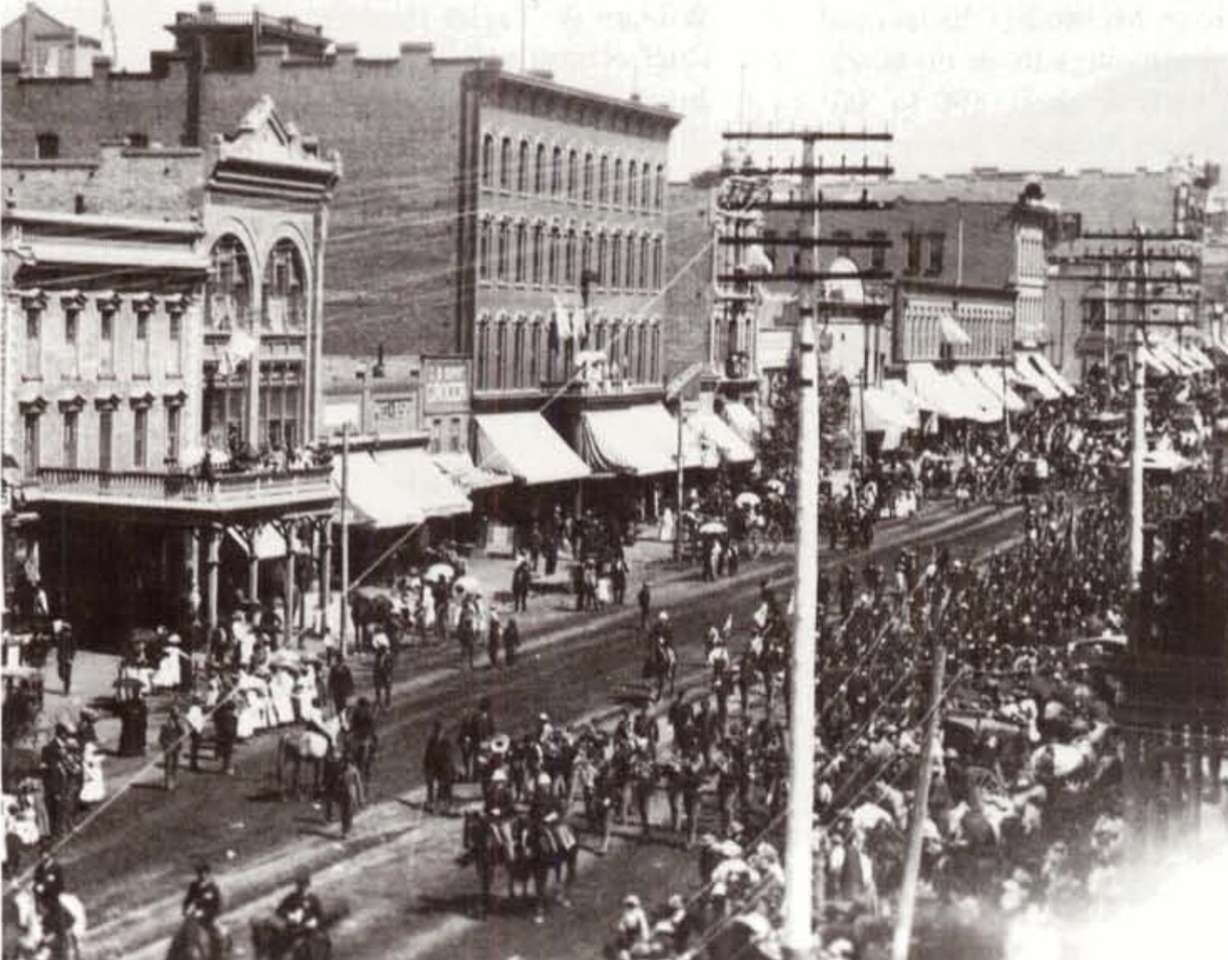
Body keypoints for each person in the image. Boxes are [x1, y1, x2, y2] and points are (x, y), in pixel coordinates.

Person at [182, 861, 225, 955]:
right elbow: (187, 900)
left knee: (218, 935)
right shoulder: (193, 886)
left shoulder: (213, 888)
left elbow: (216, 906)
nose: (201, 875)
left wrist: (204, 913)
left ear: (208, 873)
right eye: (199, 873)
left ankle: (219, 955)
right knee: (181, 935)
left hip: (208, 919)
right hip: (193, 918)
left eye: (204, 873)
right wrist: (186, 910)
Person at [275, 869, 324, 947]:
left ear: (308, 885)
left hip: (309, 932)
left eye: (303, 884)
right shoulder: (291, 898)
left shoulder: (313, 899)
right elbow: (279, 911)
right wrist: (290, 915)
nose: (301, 887)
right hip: (293, 931)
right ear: (297, 885)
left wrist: (313, 922)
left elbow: (320, 915)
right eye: (299, 884)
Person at [423, 720, 453, 814]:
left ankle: (445, 804)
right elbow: (428, 755)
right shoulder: (431, 742)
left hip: (443, 767)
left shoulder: (446, 742)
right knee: (430, 784)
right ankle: (431, 802)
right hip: (433, 766)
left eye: (440, 732)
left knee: (444, 784)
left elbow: (448, 757)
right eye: (436, 732)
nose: (438, 734)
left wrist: (448, 767)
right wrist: (426, 766)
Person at [614, 893, 651, 958]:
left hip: (638, 937)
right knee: (623, 952)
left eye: (631, 904)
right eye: (628, 904)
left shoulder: (639, 913)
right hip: (628, 936)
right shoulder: (626, 913)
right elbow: (621, 925)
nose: (630, 906)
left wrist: (644, 938)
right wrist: (622, 931)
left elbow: (644, 927)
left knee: (641, 951)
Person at [159, 707, 184, 792]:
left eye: (177, 715)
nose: (177, 717)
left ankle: (174, 780)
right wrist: (167, 744)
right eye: (175, 715)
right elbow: (161, 738)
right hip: (169, 747)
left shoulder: (178, 724)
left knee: (175, 764)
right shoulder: (166, 725)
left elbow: (183, 734)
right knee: (168, 765)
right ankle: (168, 782)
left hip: (176, 747)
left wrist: (179, 742)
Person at [54, 622, 75, 696]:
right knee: (61, 673)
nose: (65, 632)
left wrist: (71, 658)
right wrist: (58, 657)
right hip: (61, 658)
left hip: (68, 658)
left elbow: (73, 649)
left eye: (66, 630)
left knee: (67, 675)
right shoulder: (61, 637)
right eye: (64, 630)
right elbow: (59, 648)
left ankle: (66, 690)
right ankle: (66, 686)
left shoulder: (71, 638)